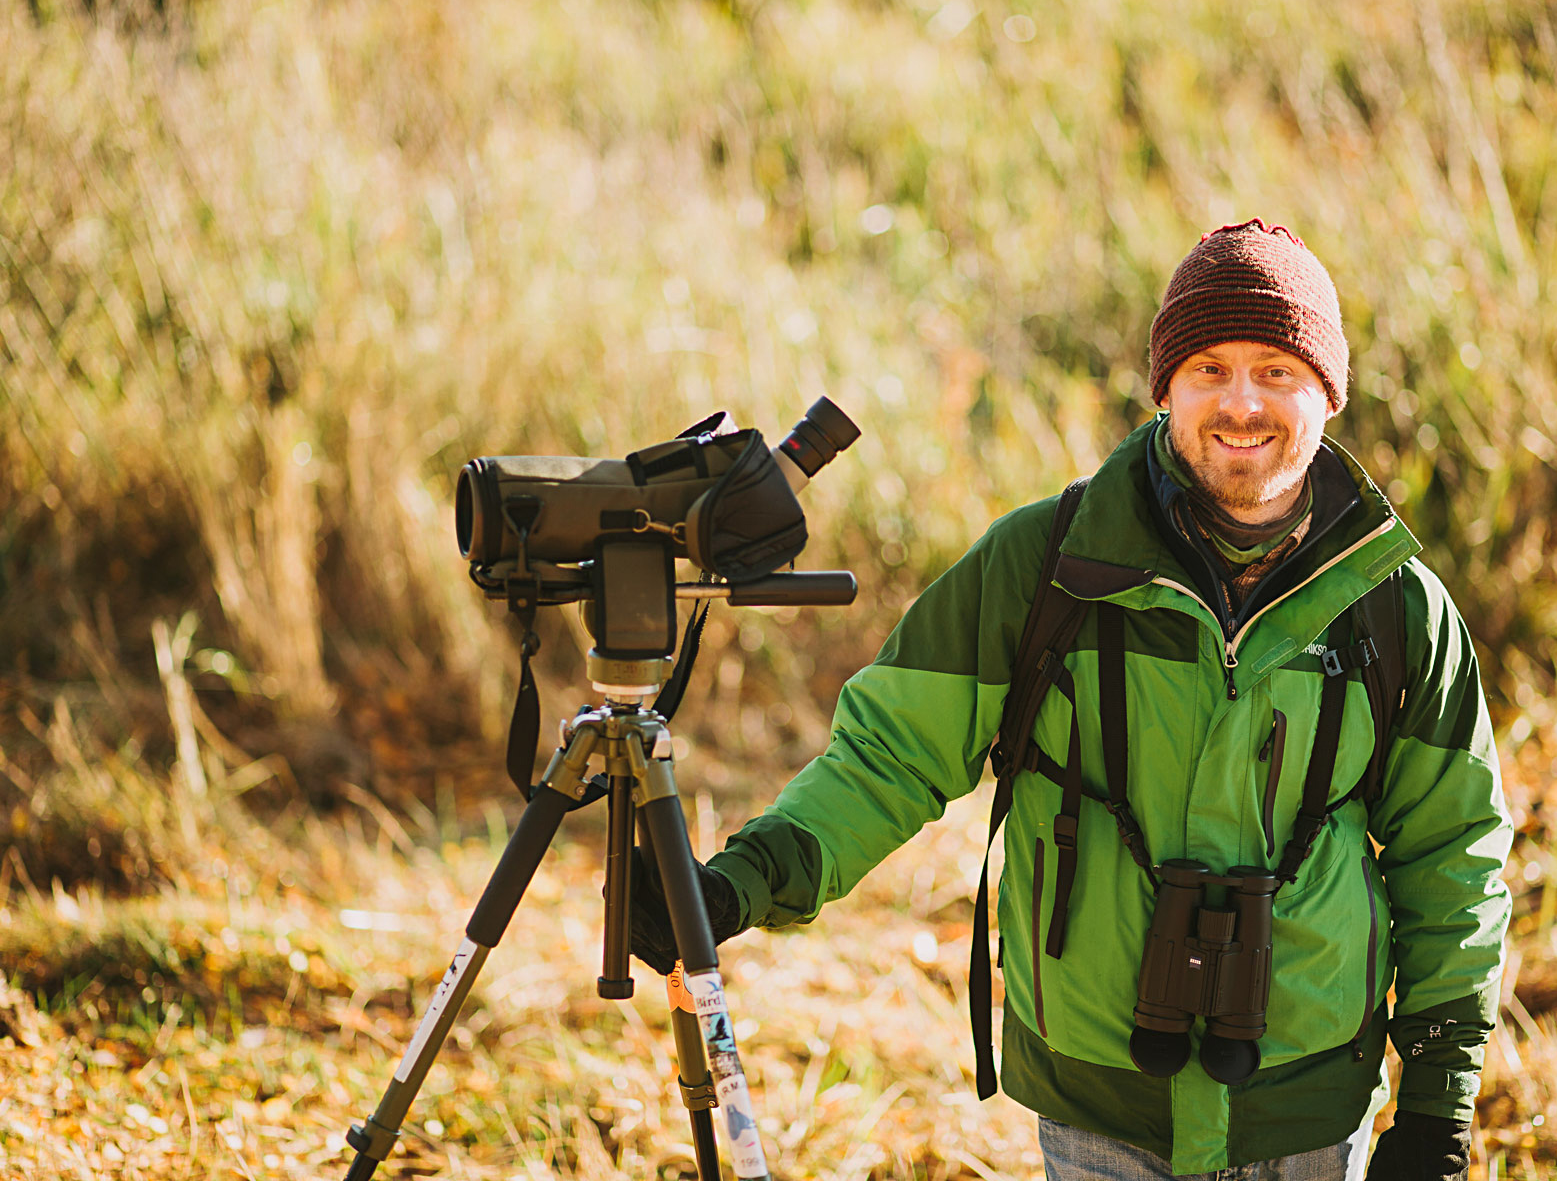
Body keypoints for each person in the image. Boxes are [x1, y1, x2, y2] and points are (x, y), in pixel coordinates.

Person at [630, 220, 1512, 1180]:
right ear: (1166, 385)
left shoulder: (1395, 603)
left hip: (1308, 1102)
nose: (1242, 402)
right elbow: (890, 758)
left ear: (1327, 395)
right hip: (1100, 1102)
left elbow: (1452, 857)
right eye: (1210, 367)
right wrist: (733, 885)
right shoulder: (1043, 566)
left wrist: (1437, 1107)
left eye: (1277, 369)